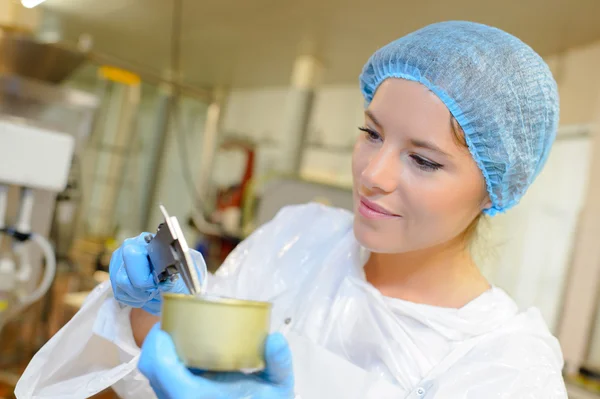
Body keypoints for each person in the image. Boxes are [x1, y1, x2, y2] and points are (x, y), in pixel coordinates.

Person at [16, 20, 567, 398]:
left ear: (495, 189)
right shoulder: (300, 238)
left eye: (423, 161)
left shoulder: (507, 367)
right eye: (370, 133)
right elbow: (157, 376)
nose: (373, 176)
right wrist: (152, 313)